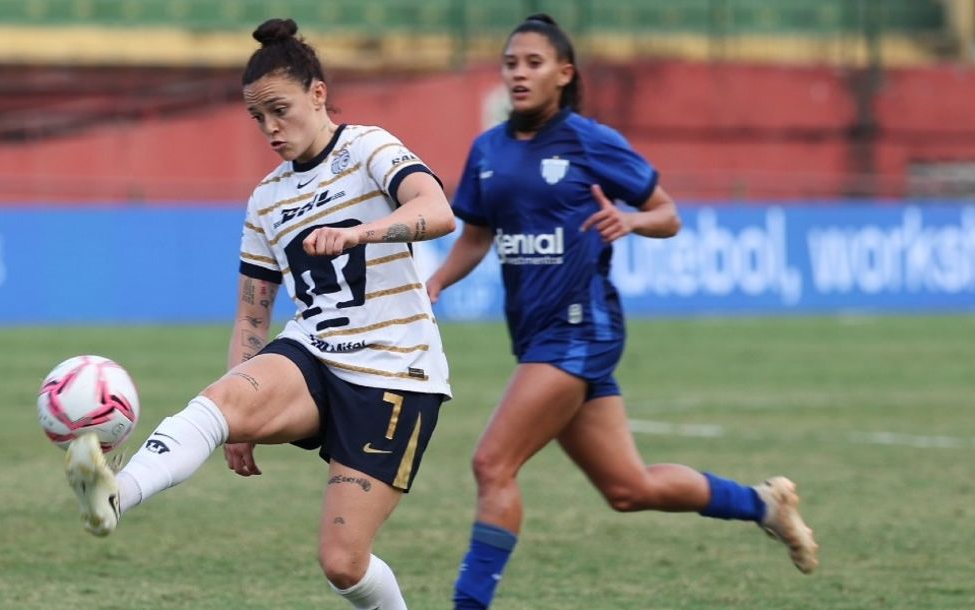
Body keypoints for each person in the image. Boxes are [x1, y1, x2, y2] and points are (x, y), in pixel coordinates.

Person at [425, 14, 819, 609]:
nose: (519, 74)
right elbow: (476, 238)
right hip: (537, 338)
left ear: (564, 74)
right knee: (628, 488)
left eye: (533, 63)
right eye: (511, 63)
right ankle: (764, 504)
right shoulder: (488, 150)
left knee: (491, 463)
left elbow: (668, 214)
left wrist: (631, 220)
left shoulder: (588, 140)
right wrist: (433, 285)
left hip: (581, 330)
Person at [63, 18, 456, 610]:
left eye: (280, 109)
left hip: (394, 374)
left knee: (343, 564)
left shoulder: (368, 147)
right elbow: (253, 317)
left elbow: (438, 210)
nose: (270, 129)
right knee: (215, 405)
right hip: (314, 353)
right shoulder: (267, 199)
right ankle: (117, 494)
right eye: (258, 117)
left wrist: (359, 236)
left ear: (317, 94)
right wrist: (236, 423)